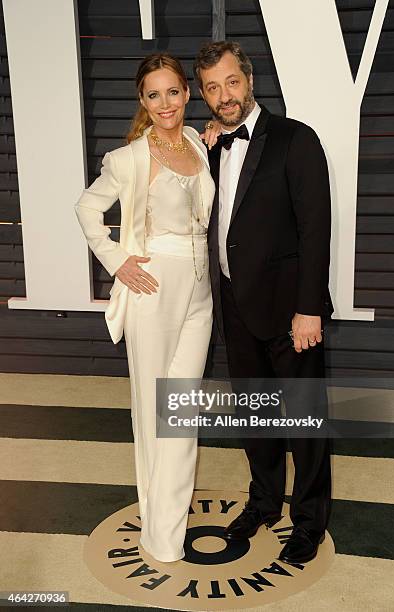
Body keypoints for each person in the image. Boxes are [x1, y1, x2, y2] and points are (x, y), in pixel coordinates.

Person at [194, 41, 334, 564]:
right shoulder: (207, 147)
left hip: (290, 310)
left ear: (249, 80)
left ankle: (310, 520)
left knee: (304, 421)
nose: (224, 95)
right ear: (204, 95)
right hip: (235, 305)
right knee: (256, 418)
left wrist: (309, 308)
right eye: (212, 87)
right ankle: (264, 501)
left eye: (231, 82)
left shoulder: (296, 140)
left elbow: (316, 229)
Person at [75, 53, 217, 563]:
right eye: (154, 95)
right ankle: (157, 532)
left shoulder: (200, 143)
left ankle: (166, 536)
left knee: (180, 413)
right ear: (143, 100)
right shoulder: (129, 158)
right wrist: (117, 261)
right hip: (153, 287)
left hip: (200, 295)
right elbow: (86, 208)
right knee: (151, 411)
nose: (165, 104)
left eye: (174, 92)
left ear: (186, 94)